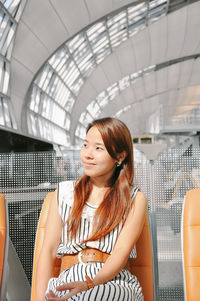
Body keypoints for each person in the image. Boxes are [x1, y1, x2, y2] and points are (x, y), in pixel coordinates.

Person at [35, 117, 147, 301]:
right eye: (85, 145)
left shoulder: (135, 198)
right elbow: (47, 251)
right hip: (69, 278)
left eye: (98, 148)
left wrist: (90, 283)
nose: (87, 154)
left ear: (120, 156)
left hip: (113, 282)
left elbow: (121, 251)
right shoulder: (63, 193)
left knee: (91, 296)